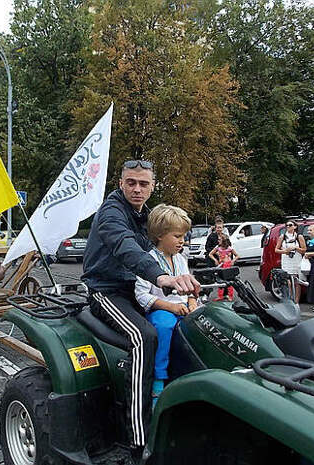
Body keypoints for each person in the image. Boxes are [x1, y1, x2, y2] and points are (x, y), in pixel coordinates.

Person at [82, 160, 200, 452]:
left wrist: (187, 280)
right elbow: (124, 245)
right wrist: (160, 276)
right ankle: (138, 433)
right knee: (144, 337)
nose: (137, 188)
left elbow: (165, 241)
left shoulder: (145, 215)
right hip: (108, 291)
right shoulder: (112, 212)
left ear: (152, 186)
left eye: (143, 183)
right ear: (121, 183)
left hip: (137, 289)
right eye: (131, 182)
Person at [134, 204, 195, 408]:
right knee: (164, 326)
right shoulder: (148, 261)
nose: (182, 241)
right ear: (160, 235)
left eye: (183, 236)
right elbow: (142, 295)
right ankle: (158, 381)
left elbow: (190, 286)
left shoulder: (181, 259)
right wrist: (170, 307)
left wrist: (193, 300)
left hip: (184, 308)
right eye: (177, 236)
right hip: (162, 311)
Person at [274, 221, 307, 303]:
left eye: (290, 225)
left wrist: (295, 248)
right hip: (286, 261)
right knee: (287, 281)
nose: (288, 226)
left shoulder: (299, 237)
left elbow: (304, 250)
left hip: (296, 260)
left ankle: (296, 301)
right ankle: (290, 299)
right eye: (287, 225)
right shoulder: (282, 237)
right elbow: (276, 250)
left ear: (295, 227)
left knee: (297, 281)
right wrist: (285, 251)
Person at [210, 235, 239, 300]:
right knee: (220, 281)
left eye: (219, 240)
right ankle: (220, 296)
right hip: (221, 266)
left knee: (229, 281)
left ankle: (230, 296)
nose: (218, 241)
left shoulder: (229, 248)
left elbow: (237, 255)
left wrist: (233, 261)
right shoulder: (218, 247)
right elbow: (210, 254)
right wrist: (215, 260)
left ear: (223, 241)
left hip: (228, 265)